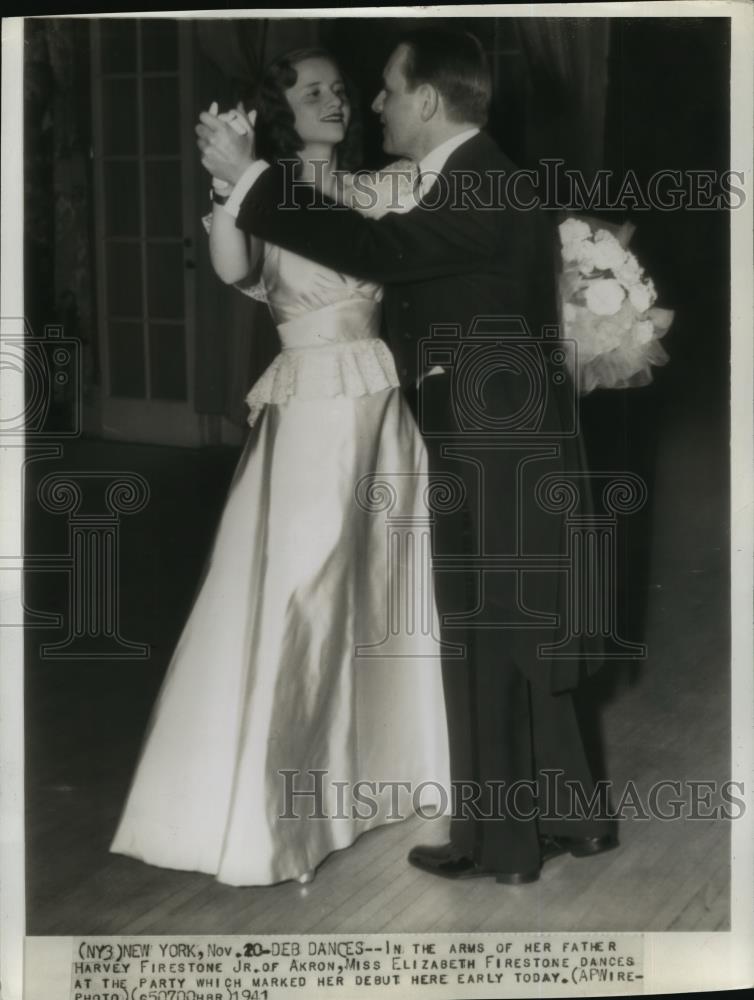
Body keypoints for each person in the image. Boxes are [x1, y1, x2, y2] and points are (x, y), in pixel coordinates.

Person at [197, 27, 618, 885]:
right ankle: (576, 818)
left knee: (490, 637)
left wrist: (250, 179)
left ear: (428, 100)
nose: (374, 103)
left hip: (493, 441)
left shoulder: (473, 183)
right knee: (518, 634)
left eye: (389, 89)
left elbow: (380, 253)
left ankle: (498, 844)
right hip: (494, 431)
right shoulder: (471, 173)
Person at [110, 48, 450, 888]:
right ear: (277, 112)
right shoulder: (259, 194)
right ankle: (274, 817)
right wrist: (231, 179)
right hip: (312, 414)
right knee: (302, 588)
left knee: (385, 585)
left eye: (340, 89)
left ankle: (382, 786)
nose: (336, 101)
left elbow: (425, 239)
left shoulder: (380, 187)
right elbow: (230, 267)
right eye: (312, 93)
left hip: (379, 405)